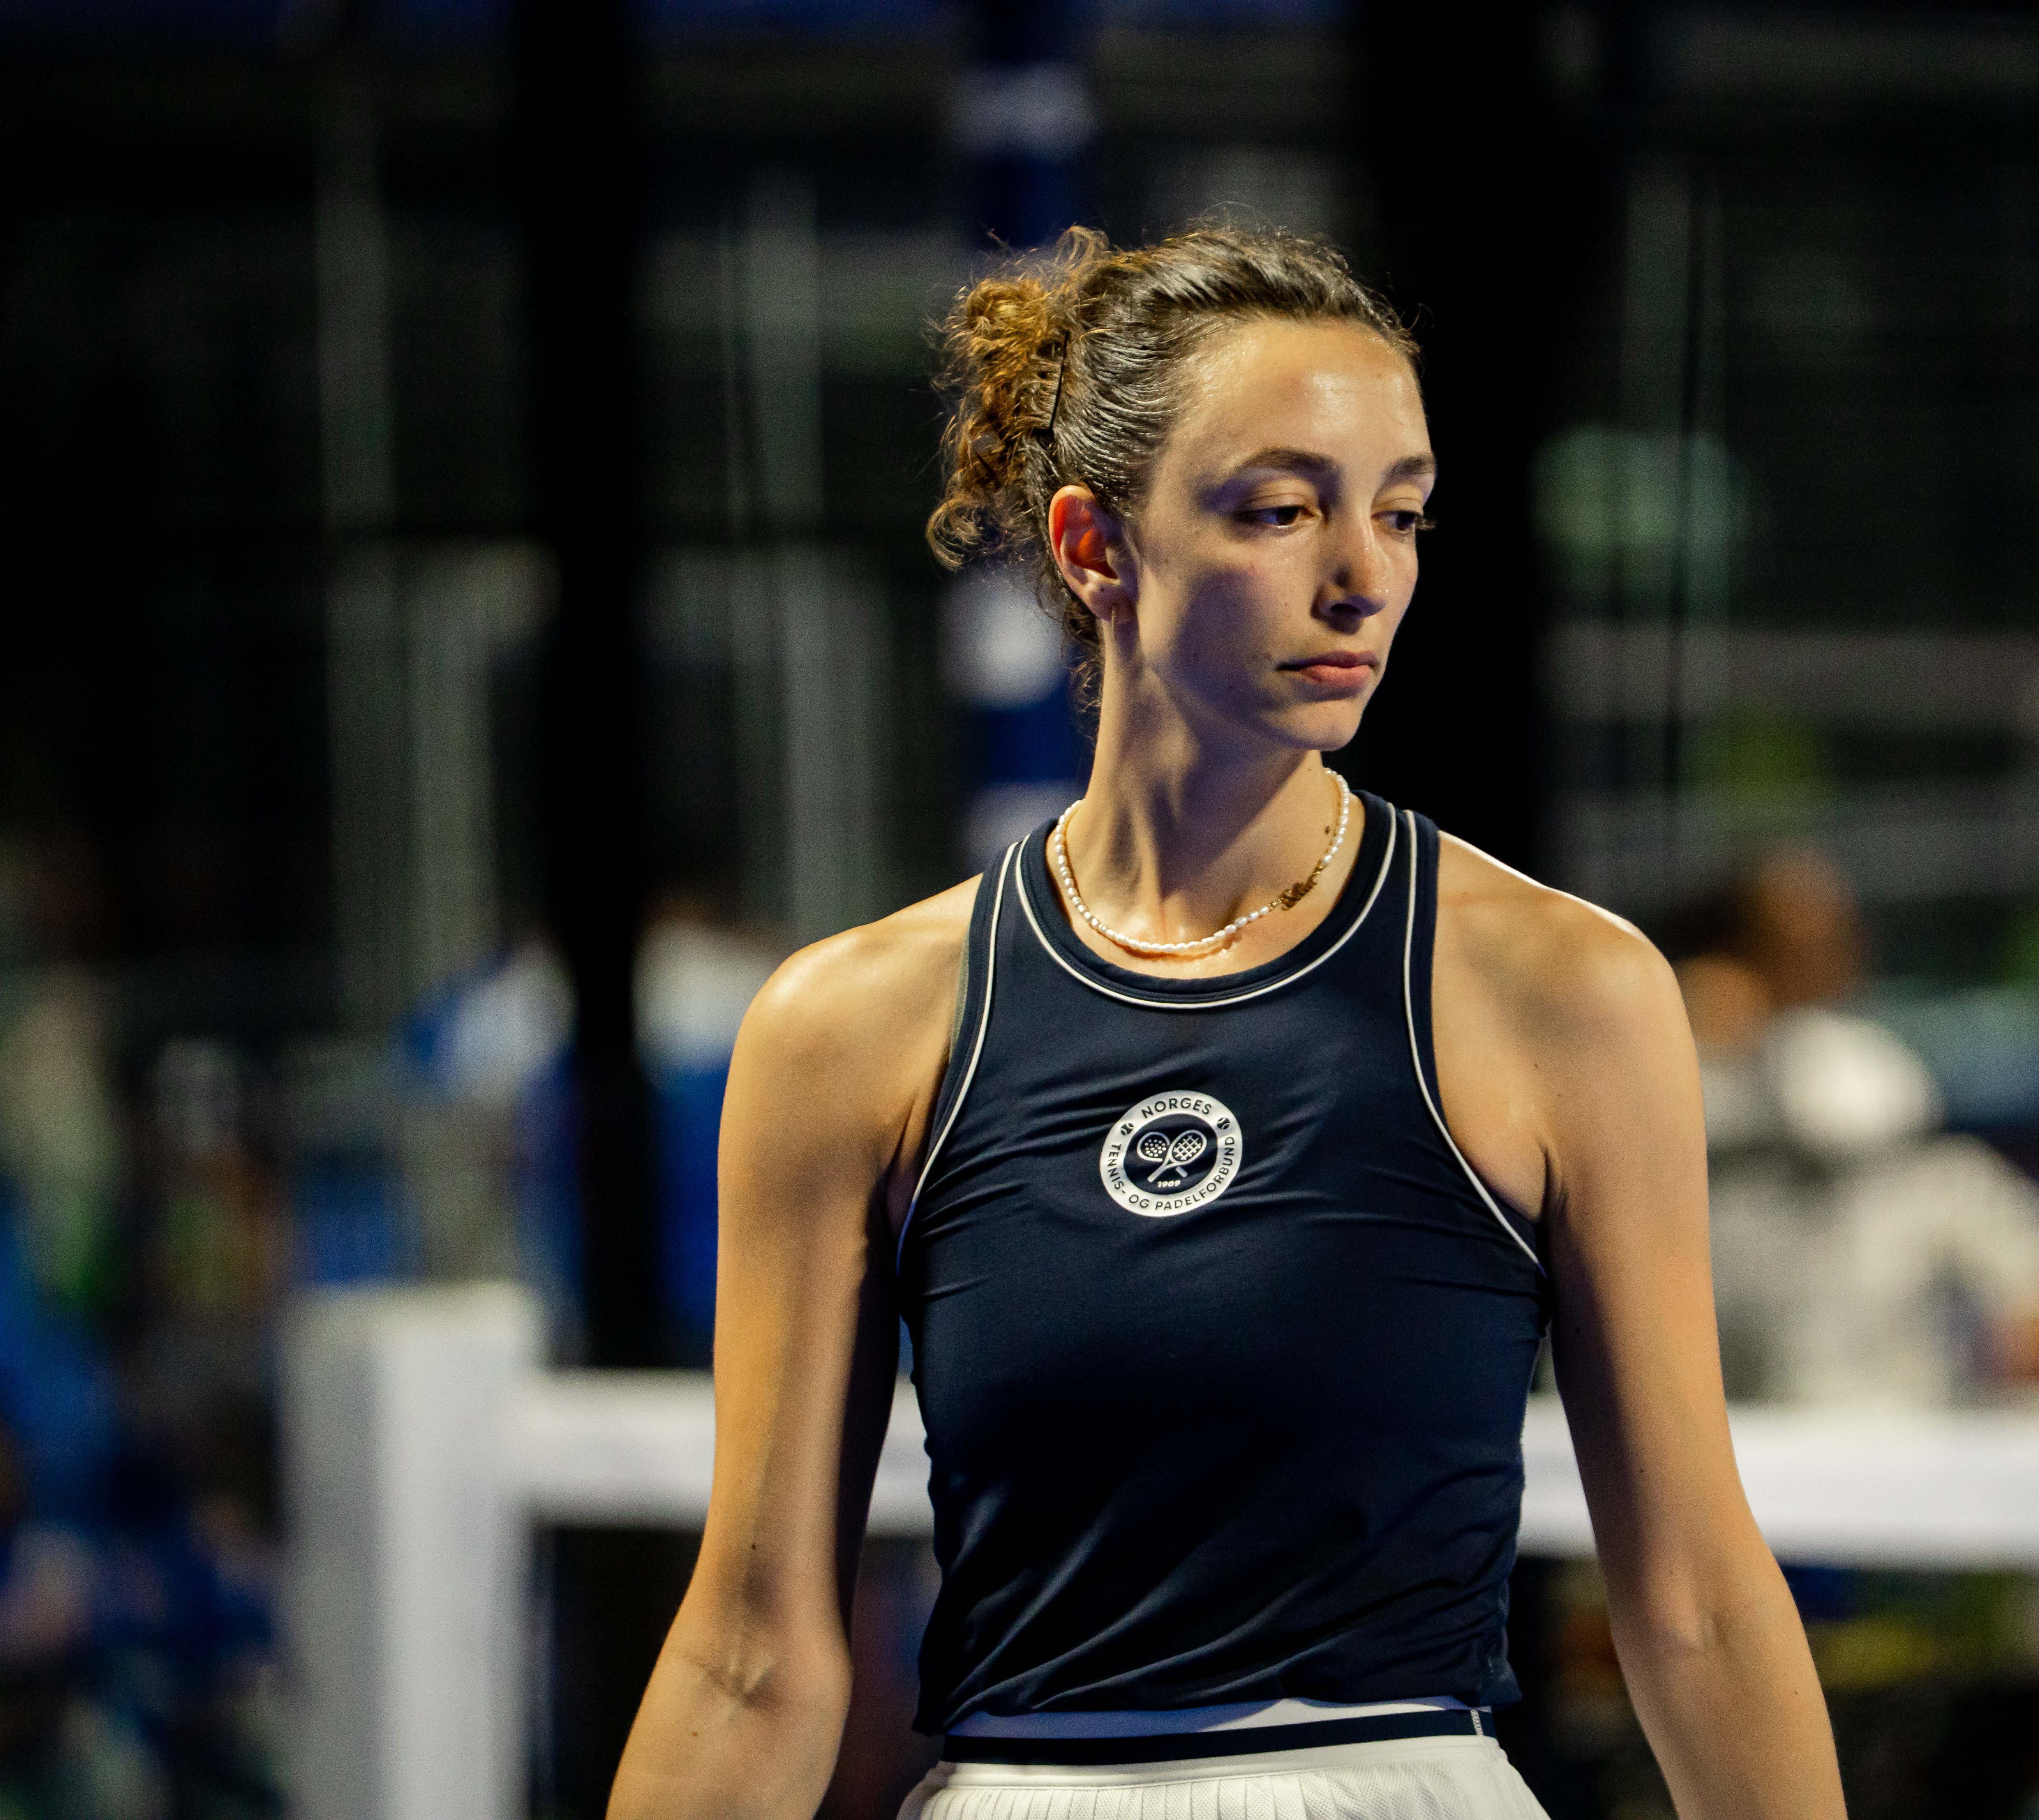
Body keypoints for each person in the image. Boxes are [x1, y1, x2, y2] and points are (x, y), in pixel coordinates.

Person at [604, 226, 1843, 1818]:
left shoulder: (1564, 990)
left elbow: (1697, 1606)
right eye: (1282, 508)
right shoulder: (848, 1028)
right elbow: (750, 1659)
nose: (1364, 575)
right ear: (1094, 548)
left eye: (1400, 511)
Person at [1671, 851, 2039, 1409]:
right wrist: (1677, 1019)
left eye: (1830, 938)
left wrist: (2038, 1311)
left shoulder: (1867, 1070)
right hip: (1739, 1422)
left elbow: (2038, 1269)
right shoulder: (1671, 1074)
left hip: (1898, 1420)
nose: (1821, 958)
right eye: (1788, 943)